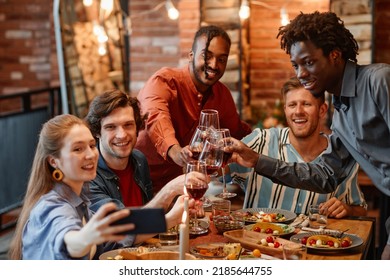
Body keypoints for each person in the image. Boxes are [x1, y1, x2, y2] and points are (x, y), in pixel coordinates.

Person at [226, 11, 390, 259]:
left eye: (309, 62)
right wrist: (257, 161)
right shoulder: (341, 113)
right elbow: (324, 175)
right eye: (295, 65)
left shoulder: (379, 81)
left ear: (334, 55)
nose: (301, 73)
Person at [228, 77, 367, 218]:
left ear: (322, 110)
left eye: (306, 104)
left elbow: (360, 209)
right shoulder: (261, 141)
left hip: (312, 240)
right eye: (292, 105)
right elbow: (220, 171)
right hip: (258, 238)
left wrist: (347, 210)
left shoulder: (340, 154)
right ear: (285, 110)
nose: (298, 111)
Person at [135, 25, 252, 192]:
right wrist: (175, 151)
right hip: (138, 179)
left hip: (176, 185)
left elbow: (237, 131)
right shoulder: (164, 81)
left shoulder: (222, 94)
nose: (214, 65)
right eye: (207, 56)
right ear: (191, 56)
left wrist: (267, 143)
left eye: (221, 59)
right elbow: (155, 116)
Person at [8, 114, 135, 260]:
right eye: (78, 149)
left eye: (92, 146)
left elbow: (114, 241)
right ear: (54, 162)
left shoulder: (79, 200)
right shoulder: (50, 206)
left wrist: (166, 218)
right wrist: (85, 238)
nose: (90, 155)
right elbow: (69, 239)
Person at [85, 89, 197, 245]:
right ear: (97, 132)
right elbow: (121, 232)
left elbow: (148, 211)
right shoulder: (88, 174)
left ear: (137, 127)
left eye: (128, 125)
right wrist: (169, 191)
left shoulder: (138, 159)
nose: (122, 134)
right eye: (111, 127)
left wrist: (182, 203)